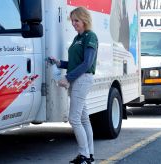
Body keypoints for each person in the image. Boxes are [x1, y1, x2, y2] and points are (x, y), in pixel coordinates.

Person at [48, 6, 98, 164]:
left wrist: (67, 78)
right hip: (78, 78)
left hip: (83, 78)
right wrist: (59, 63)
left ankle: (84, 155)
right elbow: (75, 63)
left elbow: (87, 63)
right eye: (73, 21)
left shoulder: (90, 36)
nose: (74, 23)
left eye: (76, 20)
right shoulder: (78, 38)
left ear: (84, 20)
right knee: (83, 119)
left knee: (74, 119)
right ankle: (89, 156)